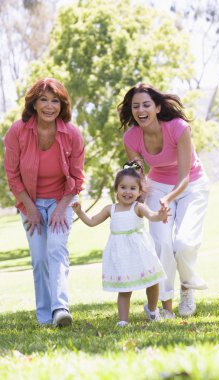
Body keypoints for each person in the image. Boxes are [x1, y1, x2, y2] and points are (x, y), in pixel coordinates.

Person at [117, 83, 210, 318]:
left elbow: (184, 176)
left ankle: (187, 286)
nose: (140, 110)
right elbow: (138, 175)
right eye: (135, 106)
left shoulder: (178, 128)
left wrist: (168, 198)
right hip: (157, 185)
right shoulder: (131, 137)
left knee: (184, 243)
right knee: (162, 245)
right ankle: (164, 304)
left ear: (157, 107)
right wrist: (133, 195)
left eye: (146, 104)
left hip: (191, 185)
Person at [4, 77, 85, 327]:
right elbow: (13, 176)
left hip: (62, 199)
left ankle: (60, 309)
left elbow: (77, 178)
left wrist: (61, 208)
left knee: (56, 251)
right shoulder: (18, 131)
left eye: (55, 101)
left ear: (62, 105)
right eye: (44, 100)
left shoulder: (71, 134)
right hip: (30, 203)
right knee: (39, 258)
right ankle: (43, 316)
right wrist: (30, 208)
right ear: (34, 104)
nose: (50, 106)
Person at [71, 164, 169, 326]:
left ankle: (152, 309)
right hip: (121, 255)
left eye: (132, 188)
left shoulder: (138, 207)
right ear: (116, 189)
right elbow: (92, 221)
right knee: (124, 289)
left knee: (152, 282)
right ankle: (123, 320)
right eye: (123, 187)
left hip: (140, 252)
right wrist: (80, 212)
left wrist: (161, 214)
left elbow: (152, 216)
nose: (127, 192)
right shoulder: (111, 209)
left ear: (139, 192)